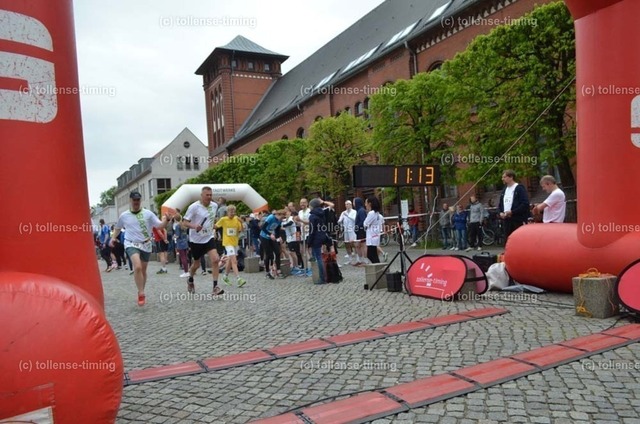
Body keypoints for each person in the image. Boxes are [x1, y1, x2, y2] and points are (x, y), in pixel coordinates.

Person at [109, 191, 172, 306]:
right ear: (130, 200)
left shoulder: (148, 214)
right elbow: (117, 228)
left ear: (140, 200)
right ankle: (141, 293)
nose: (136, 202)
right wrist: (113, 238)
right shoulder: (124, 215)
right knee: (137, 267)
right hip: (131, 243)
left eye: (138, 200)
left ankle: (141, 290)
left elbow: (159, 226)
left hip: (146, 244)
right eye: (134, 200)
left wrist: (167, 220)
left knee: (143, 270)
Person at [182, 186, 224, 296]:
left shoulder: (214, 206)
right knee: (196, 264)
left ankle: (215, 287)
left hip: (208, 237)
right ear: (202, 195)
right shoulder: (194, 207)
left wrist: (213, 228)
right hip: (196, 240)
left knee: (215, 259)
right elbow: (184, 222)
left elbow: (211, 219)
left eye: (211, 195)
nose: (209, 197)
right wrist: (194, 226)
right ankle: (190, 279)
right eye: (207, 195)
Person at [215, 205, 247, 287]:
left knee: (229, 260)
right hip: (227, 243)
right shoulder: (223, 219)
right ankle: (239, 279)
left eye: (233, 212)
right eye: (231, 212)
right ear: (227, 212)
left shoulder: (236, 219)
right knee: (234, 261)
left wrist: (241, 223)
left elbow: (241, 230)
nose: (232, 213)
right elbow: (215, 226)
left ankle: (225, 276)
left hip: (235, 243)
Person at [498, 169, 531, 240]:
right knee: (508, 239)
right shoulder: (504, 190)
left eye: (504, 177)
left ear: (511, 177)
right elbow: (500, 204)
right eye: (502, 177)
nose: (502, 179)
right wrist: (500, 212)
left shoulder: (519, 188)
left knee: (518, 239)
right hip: (507, 220)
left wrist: (512, 212)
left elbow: (525, 203)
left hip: (517, 220)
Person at [308, 198, 329, 284]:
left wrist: (309, 241)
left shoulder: (312, 216)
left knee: (318, 257)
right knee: (320, 257)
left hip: (316, 238)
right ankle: (323, 276)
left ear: (312, 206)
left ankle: (322, 278)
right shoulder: (322, 213)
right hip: (322, 235)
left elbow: (312, 230)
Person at [260, 209, 285, 279]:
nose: (282, 219)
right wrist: (270, 234)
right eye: (282, 217)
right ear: (279, 215)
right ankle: (267, 272)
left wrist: (279, 237)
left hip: (272, 237)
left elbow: (277, 229)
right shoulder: (271, 217)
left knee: (277, 252)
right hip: (264, 236)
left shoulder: (279, 220)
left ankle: (278, 270)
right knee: (269, 254)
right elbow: (263, 228)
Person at [363, 196, 384, 263]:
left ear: (370, 204)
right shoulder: (378, 214)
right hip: (375, 236)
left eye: (366, 203)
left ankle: (378, 267)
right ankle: (378, 266)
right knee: (373, 255)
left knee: (370, 255)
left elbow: (365, 224)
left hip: (371, 237)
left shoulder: (371, 213)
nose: (365, 205)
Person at [283, 207, 304, 275]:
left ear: (289, 212)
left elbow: (290, 223)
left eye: (286, 211)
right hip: (289, 238)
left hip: (294, 238)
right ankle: (295, 265)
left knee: (294, 252)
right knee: (292, 253)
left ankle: (298, 266)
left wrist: (283, 226)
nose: (285, 213)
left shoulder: (291, 218)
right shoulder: (285, 219)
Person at [338, 200, 357, 264]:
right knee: (347, 244)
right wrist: (339, 221)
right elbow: (340, 220)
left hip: (352, 230)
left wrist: (347, 216)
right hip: (346, 230)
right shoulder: (343, 212)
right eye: (345, 204)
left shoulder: (354, 212)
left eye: (348, 204)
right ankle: (350, 259)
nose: (346, 205)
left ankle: (357, 259)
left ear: (351, 205)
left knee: (354, 244)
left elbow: (354, 219)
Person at [298, 198, 312, 276]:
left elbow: (310, 222)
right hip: (302, 233)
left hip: (309, 233)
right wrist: (297, 221)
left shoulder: (309, 211)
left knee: (309, 250)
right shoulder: (300, 212)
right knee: (302, 251)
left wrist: (301, 221)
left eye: (303, 202)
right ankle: (305, 268)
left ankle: (312, 268)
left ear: (307, 203)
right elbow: (300, 223)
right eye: (301, 203)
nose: (302, 204)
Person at [173, 213, 190, 278]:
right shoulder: (184, 225)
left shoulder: (177, 226)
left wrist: (173, 237)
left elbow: (177, 235)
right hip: (185, 242)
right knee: (185, 257)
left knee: (183, 258)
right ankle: (187, 270)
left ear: (175, 219)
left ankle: (186, 272)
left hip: (180, 243)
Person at [353, 197, 368, 266]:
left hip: (361, 230)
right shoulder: (359, 210)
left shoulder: (361, 210)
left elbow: (363, 221)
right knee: (357, 245)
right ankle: (359, 260)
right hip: (359, 231)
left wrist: (357, 226)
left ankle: (365, 261)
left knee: (363, 245)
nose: (353, 203)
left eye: (354, 202)